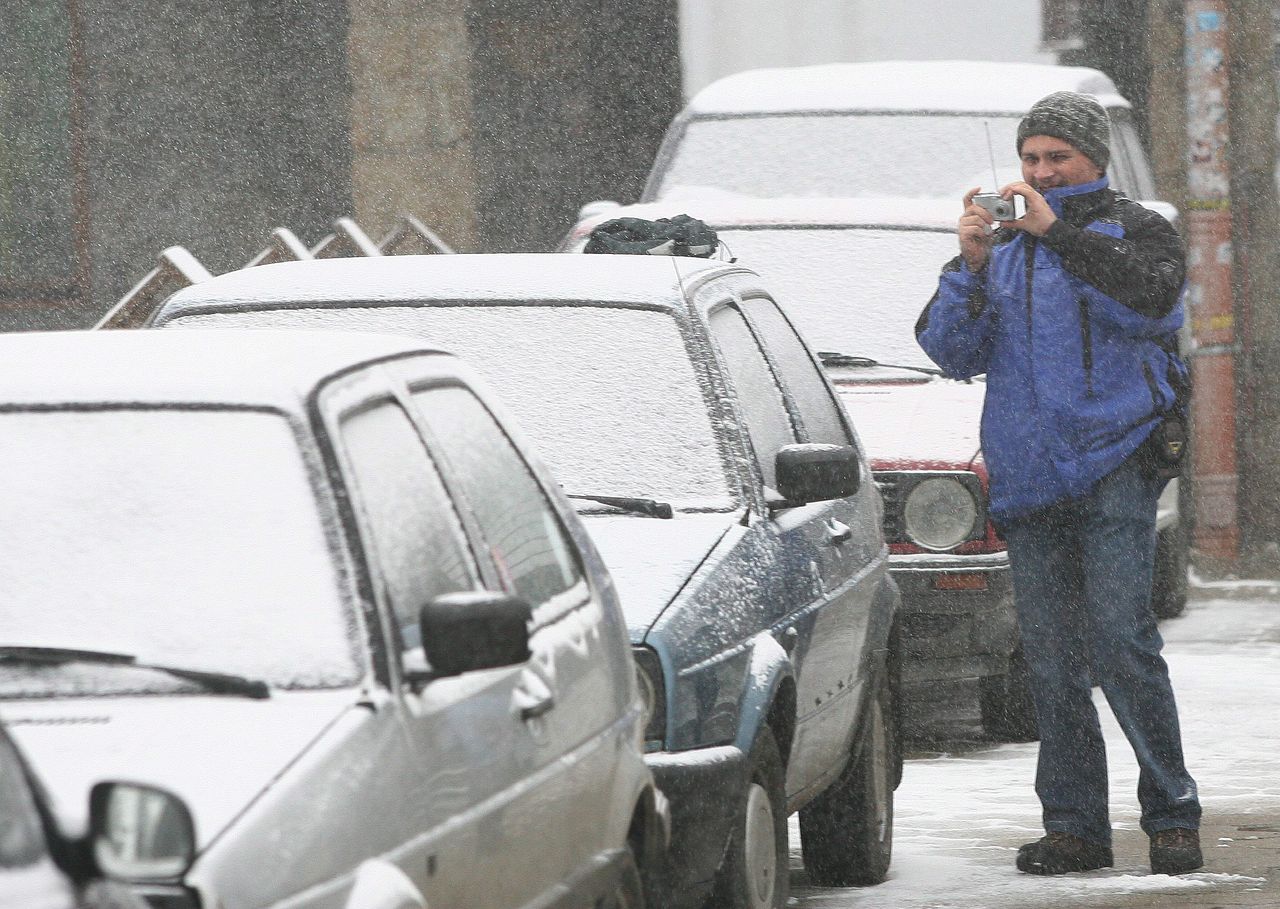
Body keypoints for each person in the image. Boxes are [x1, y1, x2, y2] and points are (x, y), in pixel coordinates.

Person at [915, 90, 1203, 876]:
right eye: (1030, 158)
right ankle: (1074, 825)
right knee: (1048, 659)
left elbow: (1152, 302)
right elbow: (952, 351)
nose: (1039, 171)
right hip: (1030, 474)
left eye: (1056, 158)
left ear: (1093, 160)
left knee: (1122, 642)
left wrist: (1058, 232)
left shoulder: (1135, 229)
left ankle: (1172, 815)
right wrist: (970, 264)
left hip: (1114, 463)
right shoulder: (1004, 247)